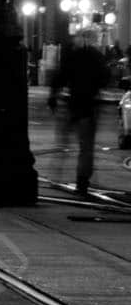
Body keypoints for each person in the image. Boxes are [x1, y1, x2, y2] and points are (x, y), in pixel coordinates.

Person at [48, 30, 111, 196]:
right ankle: (82, 182)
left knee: (63, 143)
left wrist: (53, 96)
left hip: (72, 103)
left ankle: (56, 176)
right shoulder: (96, 57)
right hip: (88, 106)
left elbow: (60, 77)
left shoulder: (72, 56)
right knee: (86, 148)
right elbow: (105, 78)